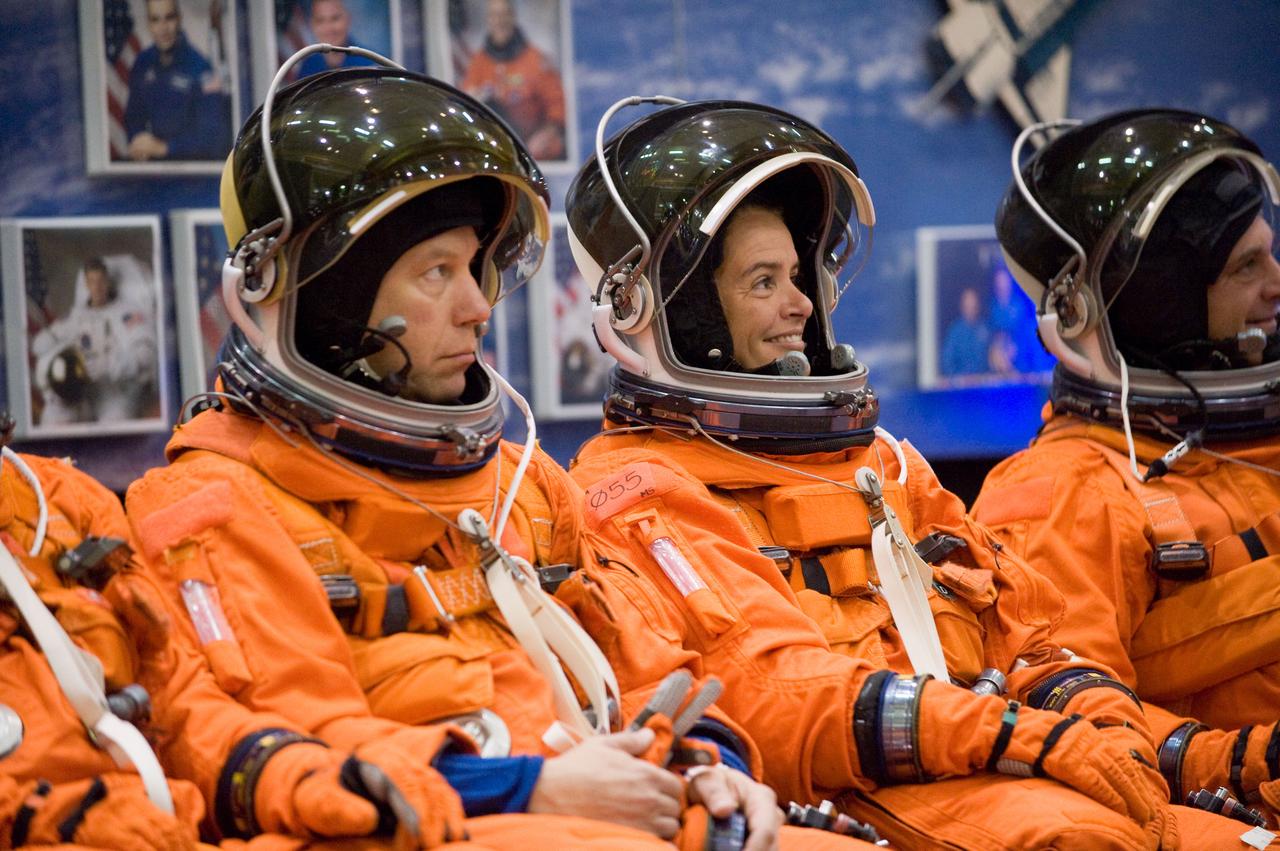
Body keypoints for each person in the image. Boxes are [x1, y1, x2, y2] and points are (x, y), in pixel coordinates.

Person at [124, 61, 867, 851]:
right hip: (444, 821)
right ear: (330, 300)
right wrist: (530, 785)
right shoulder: (216, 504)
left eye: (475, 268)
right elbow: (293, 739)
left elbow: (653, 667)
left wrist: (712, 764)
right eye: (436, 273)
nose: (478, 306)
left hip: (597, 803)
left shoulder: (526, 485)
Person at [559, 97, 1266, 849]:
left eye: (799, 276)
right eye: (763, 282)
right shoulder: (640, 493)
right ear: (676, 309)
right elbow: (774, 695)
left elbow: (1034, 645)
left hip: (997, 771)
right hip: (861, 795)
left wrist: (1133, 742)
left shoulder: (887, 467)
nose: (802, 305)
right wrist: (1015, 736)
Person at [973, 109, 1280, 830]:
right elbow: (1073, 719)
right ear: (1158, 305)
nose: (1277, 282)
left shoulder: (1247, 457)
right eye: (1246, 267)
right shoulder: (1064, 494)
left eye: (1269, 255)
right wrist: (1247, 760)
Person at [0, 411, 207, 848]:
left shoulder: (61, 497)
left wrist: (280, 766)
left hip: (150, 810)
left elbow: (175, 687)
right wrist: (50, 819)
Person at [30, 256, 159, 425]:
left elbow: (146, 355)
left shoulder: (127, 315)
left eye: (101, 281)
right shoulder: (76, 317)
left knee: (114, 423)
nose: (97, 287)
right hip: (79, 388)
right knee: (55, 418)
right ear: (86, 285)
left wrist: (111, 365)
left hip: (114, 390)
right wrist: (46, 343)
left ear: (108, 283)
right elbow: (46, 340)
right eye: (92, 282)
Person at [124, 0, 232, 161]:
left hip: (190, 168)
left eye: (169, 18)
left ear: (179, 19)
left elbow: (215, 138)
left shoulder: (201, 69)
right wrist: (139, 142)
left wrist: (166, 148)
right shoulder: (142, 63)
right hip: (151, 166)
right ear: (148, 24)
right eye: (155, 19)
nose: (163, 28)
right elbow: (133, 118)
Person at [459, 0, 566, 160]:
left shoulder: (536, 61)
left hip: (534, 148)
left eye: (504, 14)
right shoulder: (477, 65)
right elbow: (464, 108)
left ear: (513, 17)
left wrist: (546, 134)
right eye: (495, 15)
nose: (500, 21)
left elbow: (557, 108)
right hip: (496, 148)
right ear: (489, 20)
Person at [295, 0, 379, 78]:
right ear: (312, 25)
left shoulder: (372, 63)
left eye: (335, 18)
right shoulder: (307, 68)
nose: (328, 28)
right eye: (320, 20)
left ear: (348, 19)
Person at [940, 286, 991, 377]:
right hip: (961, 382)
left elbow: (992, 357)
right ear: (962, 306)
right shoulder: (955, 331)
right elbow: (947, 360)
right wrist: (958, 378)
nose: (971, 307)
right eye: (968, 305)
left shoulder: (985, 328)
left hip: (982, 381)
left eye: (973, 304)